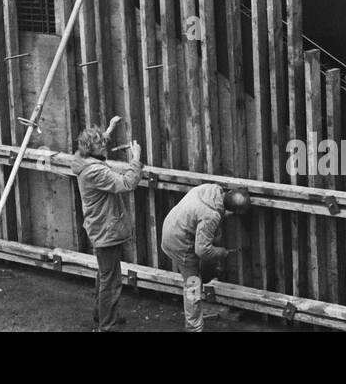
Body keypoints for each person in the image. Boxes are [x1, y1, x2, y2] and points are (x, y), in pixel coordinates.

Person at [72, 116, 143, 332]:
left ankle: (100, 313)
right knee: (111, 282)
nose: (105, 144)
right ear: (91, 149)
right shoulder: (96, 171)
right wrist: (136, 159)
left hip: (101, 227)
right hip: (106, 229)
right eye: (101, 143)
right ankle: (107, 325)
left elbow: (98, 142)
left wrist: (110, 129)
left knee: (105, 274)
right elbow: (128, 183)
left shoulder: (82, 158)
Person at [160, 182, 250, 332]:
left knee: (199, 275)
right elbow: (202, 250)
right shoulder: (211, 215)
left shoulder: (211, 189)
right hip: (180, 244)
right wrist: (222, 253)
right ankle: (194, 327)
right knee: (192, 285)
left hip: (172, 228)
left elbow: (204, 213)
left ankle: (207, 278)